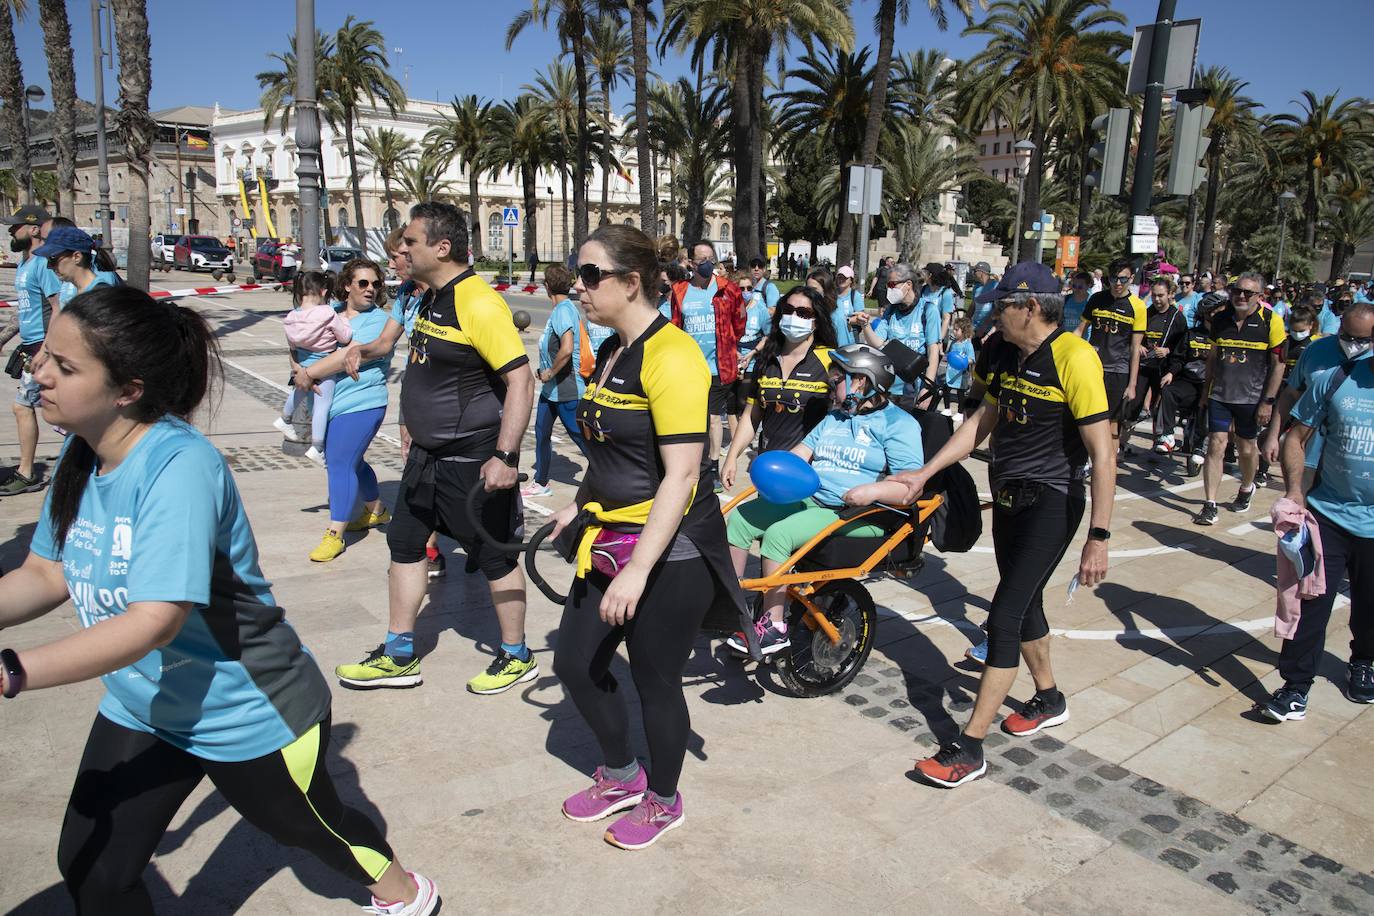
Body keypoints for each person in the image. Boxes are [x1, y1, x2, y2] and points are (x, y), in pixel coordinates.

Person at [0, 285, 439, 915]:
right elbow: (45, 573)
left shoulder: (177, 468)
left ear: (129, 390)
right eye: (45, 355)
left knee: (313, 828)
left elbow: (153, 621)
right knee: (92, 864)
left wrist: (13, 672)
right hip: (147, 704)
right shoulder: (83, 453)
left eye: (64, 367)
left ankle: (405, 893)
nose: (37, 373)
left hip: (248, 712)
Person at [549, 225, 747, 850]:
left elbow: (683, 472)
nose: (578, 288)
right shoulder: (612, 350)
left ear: (631, 282)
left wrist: (638, 568)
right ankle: (621, 776)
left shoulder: (674, 355)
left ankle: (664, 799)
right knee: (574, 665)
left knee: (655, 679)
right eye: (577, 274)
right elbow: (610, 452)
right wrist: (576, 505)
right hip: (608, 537)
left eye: (589, 275)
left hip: (671, 548)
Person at [893, 262, 1115, 787]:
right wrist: (925, 472)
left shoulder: (1075, 359)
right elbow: (981, 422)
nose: (991, 314)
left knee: (1004, 616)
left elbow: (1104, 456)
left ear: (1030, 307)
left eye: (1000, 306)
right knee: (1027, 602)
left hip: (1054, 502)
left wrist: (1098, 539)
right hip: (1011, 498)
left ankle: (969, 749)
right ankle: (1050, 697)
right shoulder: (1005, 353)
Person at [329, 202, 537, 694]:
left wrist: (505, 457)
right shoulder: (427, 298)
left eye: (411, 243)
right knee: (404, 544)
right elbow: (418, 363)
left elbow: (521, 380)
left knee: (493, 557)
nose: (400, 250)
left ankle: (516, 654)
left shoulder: (476, 301)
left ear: (442, 248)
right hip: (426, 457)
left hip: (472, 458)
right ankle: (399, 652)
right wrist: (368, 353)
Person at [726, 343, 923, 656]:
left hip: (856, 513)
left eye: (839, 376)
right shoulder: (835, 419)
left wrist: (872, 491)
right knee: (739, 519)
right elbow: (800, 456)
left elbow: (911, 488)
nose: (832, 381)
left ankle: (774, 627)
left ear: (863, 381)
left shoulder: (899, 425)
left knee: (779, 535)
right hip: (815, 501)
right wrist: (775, 474)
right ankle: (731, 606)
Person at [1259, 331, 1374, 721]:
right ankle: (1294, 686)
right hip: (1329, 515)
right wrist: (1294, 491)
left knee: (1370, 607)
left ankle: (1364, 663)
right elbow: (1297, 436)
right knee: (1310, 605)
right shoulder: (1337, 379)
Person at [291, 259, 395, 562]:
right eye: (363, 283)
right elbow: (301, 340)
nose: (371, 290)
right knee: (353, 460)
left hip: (362, 401)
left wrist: (308, 374)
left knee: (338, 462)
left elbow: (344, 357)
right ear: (347, 285)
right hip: (329, 403)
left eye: (376, 284)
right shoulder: (330, 312)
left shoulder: (378, 320)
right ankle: (377, 510)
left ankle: (335, 533)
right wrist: (296, 366)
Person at [722, 285, 838, 490]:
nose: (794, 316)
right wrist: (732, 457)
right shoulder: (765, 361)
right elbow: (751, 416)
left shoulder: (830, 360)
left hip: (810, 472)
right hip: (769, 469)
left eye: (803, 313)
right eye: (788, 310)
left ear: (816, 320)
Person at [1195, 272, 1287, 525]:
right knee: (1216, 444)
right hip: (1220, 395)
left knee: (1247, 449)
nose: (1241, 296)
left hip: (1252, 398)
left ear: (1260, 296)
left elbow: (1278, 365)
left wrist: (1268, 401)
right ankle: (1209, 503)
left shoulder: (1271, 321)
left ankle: (1247, 486)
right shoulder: (1221, 319)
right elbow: (1213, 358)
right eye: (1237, 291)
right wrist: (1206, 391)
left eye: (1248, 292)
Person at [1263, 300, 1374, 493]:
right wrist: (1273, 435)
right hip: (1307, 453)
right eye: (1347, 336)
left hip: (1354, 465)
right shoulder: (1316, 350)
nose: (1353, 345)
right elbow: (1290, 394)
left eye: (1362, 340)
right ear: (1340, 327)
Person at [668, 240, 746, 491]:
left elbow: (739, 324)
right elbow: (676, 326)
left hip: (717, 367)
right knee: (691, 418)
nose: (707, 264)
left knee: (713, 418)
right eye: (701, 260)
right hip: (689, 368)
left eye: (710, 258)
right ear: (691, 263)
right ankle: (693, 462)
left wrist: (728, 344)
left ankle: (711, 466)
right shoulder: (680, 291)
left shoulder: (728, 289)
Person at [2, 204, 59, 497]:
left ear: (35, 229)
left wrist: (47, 349)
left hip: (44, 348)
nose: (11, 230)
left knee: (26, 407)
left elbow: (58, 308)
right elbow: (21, 313)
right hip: (31, 346)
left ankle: (27, 474)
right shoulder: (25, 264)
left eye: (16, 226)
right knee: (49, 411)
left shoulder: (43, 263)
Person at [524, 263, 589, 499]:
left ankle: (610, 478)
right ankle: (541, 483)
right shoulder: (560, 309)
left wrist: (549, 372)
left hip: (566, 389)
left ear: (547, 286)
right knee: (541, 432)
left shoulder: (563, 311)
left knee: (579, 437)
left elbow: (567, 348)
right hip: (550, 390)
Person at [274, 270, 353, 465]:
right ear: (324, 292)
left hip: (303, 363)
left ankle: (285, 418)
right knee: (322, 407)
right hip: (324, 365)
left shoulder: (291, 316)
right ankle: (317, 447)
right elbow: (344, 337)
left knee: (299, 391)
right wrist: (344, 322)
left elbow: (292, 345)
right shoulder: (327, 313)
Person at [1078, 257, 1146, 447]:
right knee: (1086, 417)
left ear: (1131, 279)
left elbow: (1135, 348)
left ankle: (1109, 468)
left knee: (1112, 424)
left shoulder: (1138, 307)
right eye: (1114, 278)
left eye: (1123, 279)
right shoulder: (1097, 299)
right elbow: (1080, 330)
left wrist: (1132, 385)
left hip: (1118, 371)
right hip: (1093, 368)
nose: (1118, 283)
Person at [856, 261, 942, 408]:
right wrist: (865, 325)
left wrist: (927, 388)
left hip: (914, 389)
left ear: (908, 284)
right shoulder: (891, 311)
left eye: (891, 285)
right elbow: (877, 342)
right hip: (890, 386)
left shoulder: (927, 310)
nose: (888, 289)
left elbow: (933, 351)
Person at [1154, 297, 1221, 459]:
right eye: (1216, 311)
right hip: (1189, 381)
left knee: (1206, 405)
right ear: (1206, 314)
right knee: (1169, 390)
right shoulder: (1191, 334)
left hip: (1212, 384)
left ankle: (1200, 446)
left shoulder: (1225, 336)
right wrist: (1171, 373)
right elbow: (1179, 358)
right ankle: (1168, 435)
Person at [1123, 277, 1186, 442]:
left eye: (1161, 295)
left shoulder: (1177, 318)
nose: (1157, 299)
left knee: (1158, 409)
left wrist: (1168, 350)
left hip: (1163, 370)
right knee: (1132, 406)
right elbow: (1132, 335)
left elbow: (1183, 349)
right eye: (1154, 295)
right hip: (1143, 367)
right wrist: (1139, 345)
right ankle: (1121, 446)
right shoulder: (1145, 313)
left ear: (1170, 295)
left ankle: (1158, 443)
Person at [36, 224, 121, 306]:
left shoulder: (100, 295)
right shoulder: (78, 293)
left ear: (77, 257)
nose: (49, 266)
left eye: (53, 259)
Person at [919, 262, 962, 342]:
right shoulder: (923, 289)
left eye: (925, 272)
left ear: (930, 275)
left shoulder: (945, 293)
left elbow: (946, 319)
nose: (923, 274)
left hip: (935, 336)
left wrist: (939, 340)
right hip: (920, 334)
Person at [943, 317, 975, 416]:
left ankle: (960, 412)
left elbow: (972, 359)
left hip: (961, 375)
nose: (954, 331)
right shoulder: (953, 343)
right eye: (954, 329)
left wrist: (962, 360)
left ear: (964, 331)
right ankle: (947, 408)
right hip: (951, 372)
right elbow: (949, 354)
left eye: (957, 330)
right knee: (946, 389)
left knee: (960, 393)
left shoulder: (967, 345)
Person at [834, 265, 863, 346]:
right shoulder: (831, 294)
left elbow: (861, 318)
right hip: (832, 337)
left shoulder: (855, 296)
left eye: (845, 278)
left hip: (850, 339)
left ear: (851, 280)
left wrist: (846, 321)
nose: (841, 280)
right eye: (839, 277)